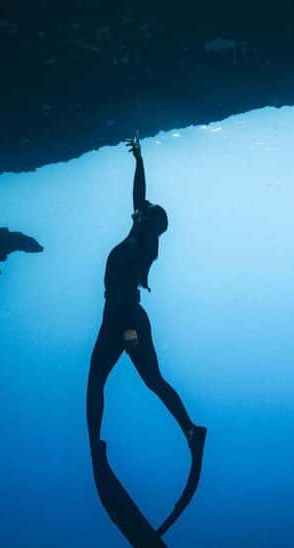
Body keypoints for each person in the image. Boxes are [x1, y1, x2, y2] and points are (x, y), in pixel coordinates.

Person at [86, 134, 206, 452]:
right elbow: (140, 194)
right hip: (116, 318)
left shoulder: (139, 246)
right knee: (100, 381)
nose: (141, 207)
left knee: (147, 380)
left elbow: (125, 291)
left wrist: (127, 331)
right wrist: (139, 159)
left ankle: (191, 430)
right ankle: (95, 443)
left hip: (126, 321)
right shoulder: (138, 232)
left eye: (146, 209)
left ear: (150, 222)